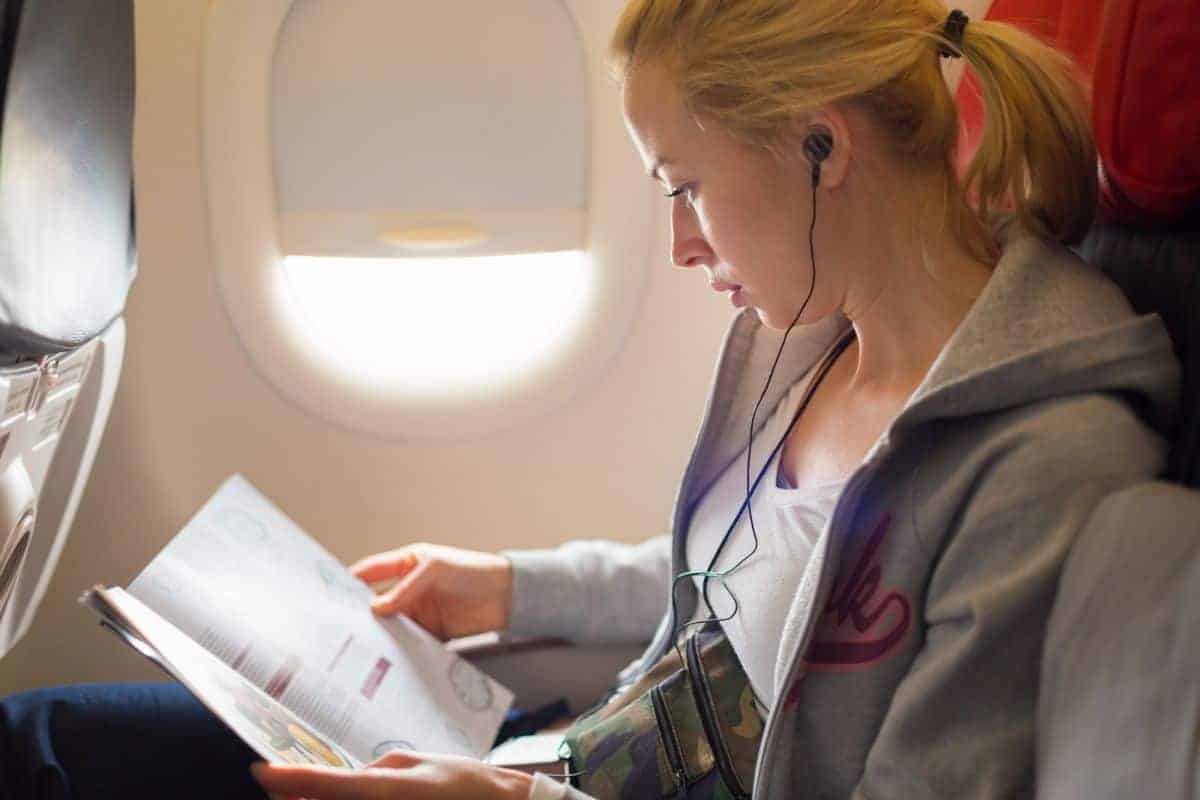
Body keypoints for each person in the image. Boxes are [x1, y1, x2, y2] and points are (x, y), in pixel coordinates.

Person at [0, 0, 1180, 798]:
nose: (676, 243)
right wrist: (509, 584)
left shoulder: (1048, 462)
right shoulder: (807, 340)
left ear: (822, 148)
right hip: (572, 757)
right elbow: (746, 591)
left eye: (686, 187)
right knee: (38, 742)